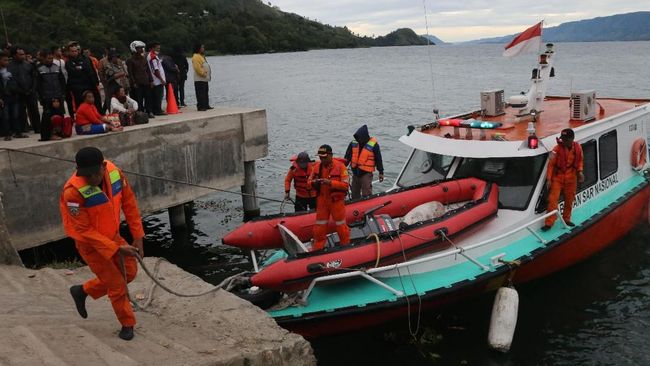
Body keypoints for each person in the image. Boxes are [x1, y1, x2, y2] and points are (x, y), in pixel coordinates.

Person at [60, 147, 145, 341]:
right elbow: (83, 230)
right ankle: (127, 324)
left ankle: (83, 291)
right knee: (116, 285)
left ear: (103, 167)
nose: (90, 178)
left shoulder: (115, 173)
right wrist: (115, 248)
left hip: (112, 236)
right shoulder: (72, 193)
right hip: (90, 245)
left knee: (129, 273)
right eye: (86, 175)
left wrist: (138, 236)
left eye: (94, 174)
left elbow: (129, 203)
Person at [308, 145, 350, 251]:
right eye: (320, 157)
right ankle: (318, 248)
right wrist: (314, 183)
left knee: (341, 225)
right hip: (322, 200)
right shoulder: (317, 167)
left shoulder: (341, 167)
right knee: (319, 226)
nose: (322, 159)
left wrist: (330, 183)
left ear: (330, 155)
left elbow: (345, 185)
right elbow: (308, 183)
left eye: (324, 157)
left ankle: (345, 247)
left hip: (336, 201)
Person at [542, 128, 584, 231]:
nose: (563, 141)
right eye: (563, 139)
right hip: (558, 177)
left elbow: (580, 161)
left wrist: (580, 172)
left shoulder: (578, 148)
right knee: (552, 200)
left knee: (569, 200)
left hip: (571, 178)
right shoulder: (556, 149)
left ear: (572, 139)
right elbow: (551, 165)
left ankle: (566, 219)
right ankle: (549, 223)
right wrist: (549, 179)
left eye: (566, 139)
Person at [344, 124, 384, 199]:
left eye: (359, 138)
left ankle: (368, 204)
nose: (358, 140)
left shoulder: (374, 145)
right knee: (354, 192)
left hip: (366, 173)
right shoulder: (353, 144)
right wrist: (342, 168)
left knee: (366, 192)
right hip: (355, 173)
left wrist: (381, 172)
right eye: (357, 138)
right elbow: (347, 157)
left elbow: (378, 159)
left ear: (364, 137)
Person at [7, 46, 40, 134]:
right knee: (21, 112)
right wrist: (19, 90)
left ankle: (37, 128)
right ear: (14, 55)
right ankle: (24, 128)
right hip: (18, 93)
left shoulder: (28, 64)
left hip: (30, 91)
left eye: (23, 54)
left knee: (34, 110)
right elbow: (10, 81)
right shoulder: (9, 66)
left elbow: (34, 77)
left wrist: (32, 89)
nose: (23, 56)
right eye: (20, 54)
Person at [36, 49, 68, 141]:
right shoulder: (39, 69)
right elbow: (38, 86)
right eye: (48, 58)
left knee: (60, 115)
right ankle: (46, 135)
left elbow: (62, 82)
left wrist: (62, 94)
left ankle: (59, 133)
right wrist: (42, 97)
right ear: (44, 58)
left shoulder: (57, 68)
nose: (50, 60)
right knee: (47, 118)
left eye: (51, 58)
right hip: (47, 97)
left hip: (58, 96)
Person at [66, 45, 101, 116]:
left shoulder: (87, 59)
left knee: (94, 103)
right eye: (72, 51)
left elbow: (92, 71)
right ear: (69, 52)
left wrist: (96, 82)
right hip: (77, 88)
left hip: (89, 85)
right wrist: (81, 69)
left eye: (76, 51)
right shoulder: (68, 62)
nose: (74, 53)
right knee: (81, 105)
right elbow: (74, 72)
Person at [1, 51, 26, 140]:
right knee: (6, 116)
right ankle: (7, 134)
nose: (7, 62)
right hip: (4, 97)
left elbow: (16, 81)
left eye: (7, 60)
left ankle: (18, 132)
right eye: (4, 60)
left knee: (16, 115)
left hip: (14, 95)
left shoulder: (11, 69)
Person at [126, 41, 154, 118]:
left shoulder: (144, 59)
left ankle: (149, 111)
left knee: (148, 97)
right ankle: (140, 112)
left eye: (142, 48)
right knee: (139, 99)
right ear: (134, 49)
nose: (141, 49)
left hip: (146, 81)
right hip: (137, 83)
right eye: (139, 48)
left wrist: (151, 80)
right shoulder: (130, 60)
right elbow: (130, 73)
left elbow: (148, 70)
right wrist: (133, 82)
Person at [146, 42, 166, 116]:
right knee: (158, 96)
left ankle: (157, 109)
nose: (159, 49)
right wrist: (161, 79)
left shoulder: (155, 56)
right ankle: (158, 110)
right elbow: (155, 70)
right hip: (157, 81)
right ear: (152, 48)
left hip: (157, 80)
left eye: (159, 48)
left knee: (157, 96)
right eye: (157, 48)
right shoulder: (152, 56)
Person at [192, 44, 211, 111]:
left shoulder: (201, 56)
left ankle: (206, 105)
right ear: (198, 48)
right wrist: (203, 73)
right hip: (199, 79)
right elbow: (197, 68)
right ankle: (200, 106)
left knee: (205, 93)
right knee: (200, 93)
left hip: (204, 79)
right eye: (202, 47)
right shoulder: (196, 57)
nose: (203, 48)